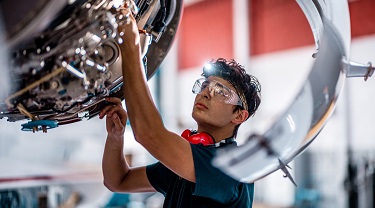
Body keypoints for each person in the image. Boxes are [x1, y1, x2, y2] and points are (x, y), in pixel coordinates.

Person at [99, 6, 261, 208]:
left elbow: (149, 134)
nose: (206, 93)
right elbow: (118, 181)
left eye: (221, 92)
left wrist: (132, 46)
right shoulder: (191, 161)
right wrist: (116, 137)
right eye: (205, 85)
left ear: (239, 116)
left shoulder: (230, 167)